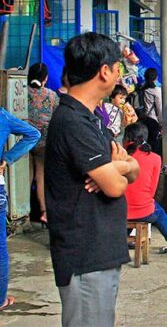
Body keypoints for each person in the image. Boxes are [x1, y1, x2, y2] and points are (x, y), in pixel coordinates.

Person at [45, 32, 140, 327]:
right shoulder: (72, 121)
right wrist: (115, 170)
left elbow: (133, 169)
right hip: (85, 253)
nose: (118, 76)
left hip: (100, 249)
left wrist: (118, 167)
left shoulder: (93, 119)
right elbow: (114, 187)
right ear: (104, 71)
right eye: (117, 68)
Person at [123, 122, 167, 257]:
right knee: (159, 212)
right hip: (144, 210)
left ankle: (119, 244)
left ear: (127, 139)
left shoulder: (122, 158)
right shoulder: (155, 158)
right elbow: (153, 190)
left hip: (120, 210)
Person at [0, 105, 40, 311]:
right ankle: (0, 299)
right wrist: (7, 158)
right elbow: (34, 134)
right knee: (0, 246)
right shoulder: (3, 116)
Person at [27, 62, 59, 225]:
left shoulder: (21, 93)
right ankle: (44, 212)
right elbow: (57, 119)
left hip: (22, 140)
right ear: (45, 78)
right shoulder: (52, 96)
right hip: (43, 142)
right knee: (41, 176)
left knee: (25, 177)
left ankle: (23, 215)